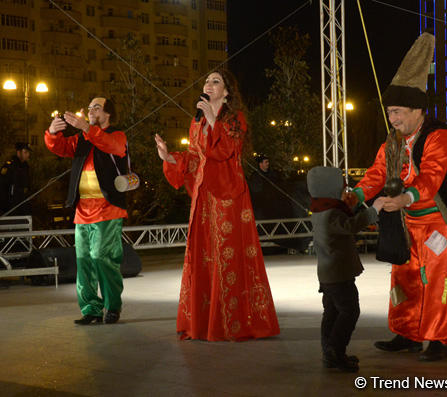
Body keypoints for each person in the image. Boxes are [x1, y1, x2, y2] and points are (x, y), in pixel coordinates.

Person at [344, 33, 447, 362]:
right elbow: (377, 173)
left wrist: (403, 199)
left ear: (417, 109)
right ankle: (407, 332)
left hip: (441, 224)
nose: (392, 119)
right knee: (403, 276)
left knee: (438, 279)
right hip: (409, 223)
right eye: (389, 113)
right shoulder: (393, 142)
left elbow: (430, 178)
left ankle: (439, 339)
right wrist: (356, 194)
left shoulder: (441, 137)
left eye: (397, 112)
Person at [155, 69, 280, 341]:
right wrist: (170, 158)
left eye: (215, 81)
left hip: (228, 196)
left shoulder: (235, 119)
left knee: (227, 255)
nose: (208, 85)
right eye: (206, 81)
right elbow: (194, 157)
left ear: (226, 91)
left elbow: (223, 152)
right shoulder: (197, 120)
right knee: (204, 255)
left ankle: (232, 323)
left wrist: (214, 121)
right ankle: (202, 322)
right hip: (203, 197)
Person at [45, 97, 128, 325]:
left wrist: (85, 128)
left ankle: (112, 307)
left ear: (108, 114)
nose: (91, 110)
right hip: (83, 210)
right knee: (83, 260)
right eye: (90, 107)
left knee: (102, 258)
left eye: (97, 107)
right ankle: (91, 309)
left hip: (107, 209)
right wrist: (52, 132)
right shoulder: (82, 138)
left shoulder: (117, 135)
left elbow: (113, 146)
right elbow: (59, 147)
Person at [307, 166, 385, 372]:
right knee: (350, 311)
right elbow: (350, 225)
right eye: (342, 187)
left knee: (331, 312)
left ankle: (330, 352)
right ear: (329, 189)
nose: (346, 191)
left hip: (328, 274)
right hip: (338, 274)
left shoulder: (320, 208)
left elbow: (345, 217)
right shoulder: (331, 214)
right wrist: (374, 210)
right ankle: (335, 351)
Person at [0, 142, 32, 216]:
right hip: (11, 207)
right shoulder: (9, 166)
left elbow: (27, 186)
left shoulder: (25, 166)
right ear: (18, 152)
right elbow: (2, 187)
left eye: (28, 152)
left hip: (23, 206)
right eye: (25, 152)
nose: (28, 154)